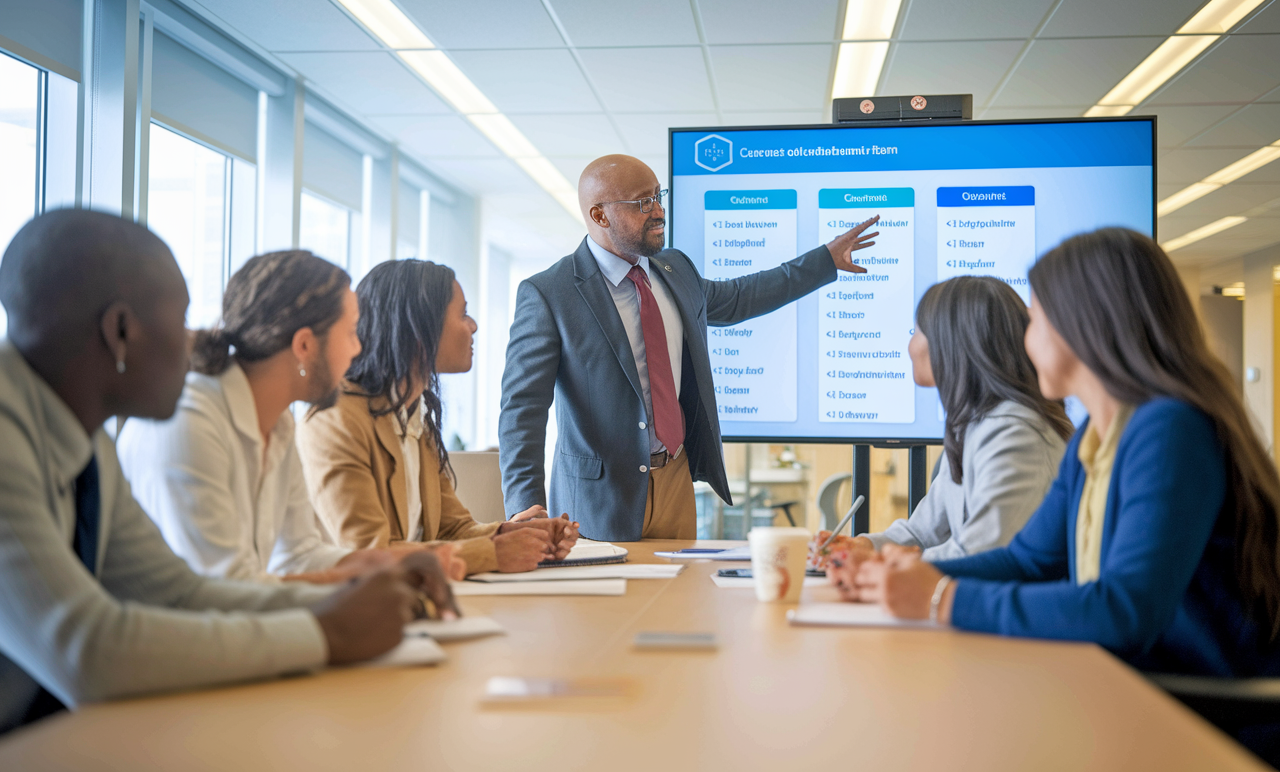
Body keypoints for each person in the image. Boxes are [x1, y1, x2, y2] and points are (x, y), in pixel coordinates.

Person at [0, 210, 458, 734]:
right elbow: (88, 650)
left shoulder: (87, 442)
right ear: (121, 331)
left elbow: (179, 593)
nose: (200, 338)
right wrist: (324, 631)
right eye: (182, 317)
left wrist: (370, 600)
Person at [833, 228, 1280, 684]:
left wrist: (942, 598)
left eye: (1036, 319)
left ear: (1084, 325)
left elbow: (1124, 610)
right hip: (1128, 682)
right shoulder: (1096, 436)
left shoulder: (1170, 430)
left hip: (1200, 709)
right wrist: (895, 574)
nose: (1024, 340)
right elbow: (1026, 561)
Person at [499, 154, 879, 541]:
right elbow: (522, 408)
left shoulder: (674, 268)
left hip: (675, 482)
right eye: (642, 203)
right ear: (599, 216)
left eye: (658, 196)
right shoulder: (550, 293)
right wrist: (525, 508)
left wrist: (823, 261)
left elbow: (739, 297)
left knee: (680, 596)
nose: (659, 211)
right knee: (603, 601)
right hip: (597, 496)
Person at [118, 251, 463, 583]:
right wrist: (367, 579)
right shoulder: (190, 423)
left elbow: (298, 554)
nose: (358, 348)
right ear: (304, 346)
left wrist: (389, 564)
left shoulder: (280, 424)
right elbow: (227, 587)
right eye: (349, 333)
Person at [297, 259, 578, 574]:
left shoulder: (414, 415)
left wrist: (514, 535)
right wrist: (493, 552)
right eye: (462, 314)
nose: (472, 326)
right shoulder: (335, 420)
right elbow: (367, 553)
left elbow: (452, 529)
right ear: (418, 328)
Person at [812, 276, 1072, 567]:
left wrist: (881, 563)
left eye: (917, 330)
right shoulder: (974, 424)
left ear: (951, 342)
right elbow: (922, 533)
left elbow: (979, 554)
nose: (910, 344)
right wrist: (864, 545)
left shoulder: (1014, 434)